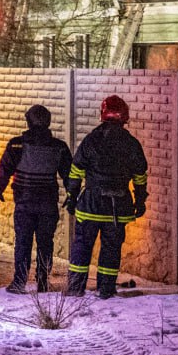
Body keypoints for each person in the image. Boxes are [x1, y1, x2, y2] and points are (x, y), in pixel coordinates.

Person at [63, 95, 148, 299]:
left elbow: (76, 171)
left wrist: (72, 196)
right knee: (111, 249)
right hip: (116, 209)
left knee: (82, 247)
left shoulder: (92, 139)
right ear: (124, 116)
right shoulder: (131, 143)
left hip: (90, 205)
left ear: (102, 114)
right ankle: (106, 289)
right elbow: (139, 176)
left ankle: (76, 288)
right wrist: (140, 201)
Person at [0, 104, 72, 294]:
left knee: (23, 242)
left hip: (25, 203)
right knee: (46, 243)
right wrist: (72, 195)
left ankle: (19, 282)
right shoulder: (59, 147)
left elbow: (4, 170)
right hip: (48, 205)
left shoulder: (16, 144)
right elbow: (70, 175)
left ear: (28, 121)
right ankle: (43, 282)